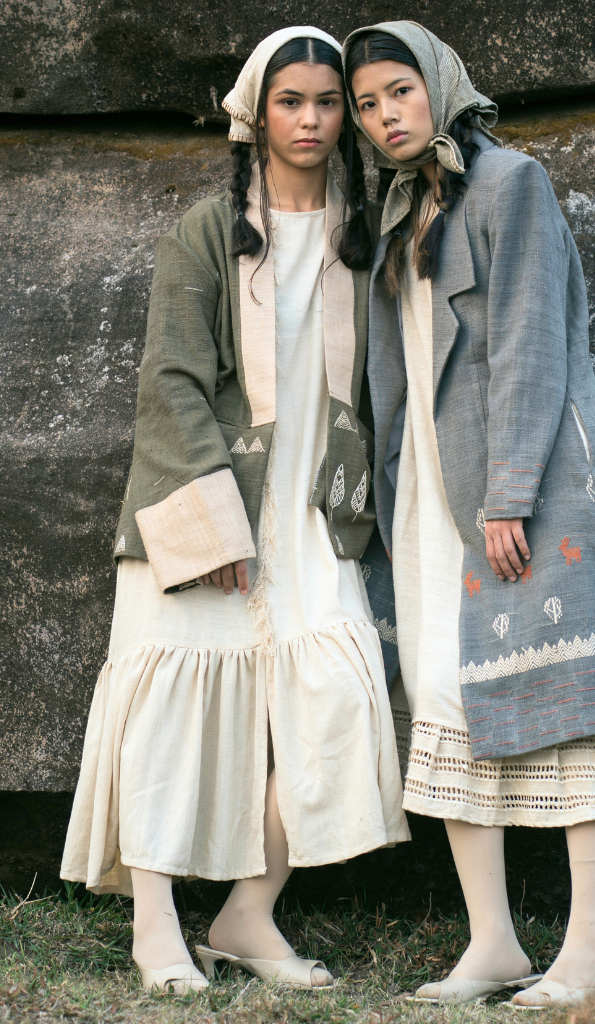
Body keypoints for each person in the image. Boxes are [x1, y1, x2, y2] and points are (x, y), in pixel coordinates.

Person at [61, 26, 409, 995]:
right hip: (209, 504)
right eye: (291, 101)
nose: (311, 120)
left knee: (342, 701)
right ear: (256, 115)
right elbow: (170, 380)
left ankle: (248, 913)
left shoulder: (363, 234)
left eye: (328, 102)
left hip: (313, 508)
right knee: (172, 715)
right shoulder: (206, 233)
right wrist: (215, 520)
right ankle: (157, 926)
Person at [343, 21, 595, 1009]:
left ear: (440, 85)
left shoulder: (510, 182)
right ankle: (494, 944)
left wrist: (509, 491)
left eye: (400, 91)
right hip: (434, 494)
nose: (385, 115)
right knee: (447, 693)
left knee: (566, 695)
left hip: (527, 485)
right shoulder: (399, 206)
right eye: (366, 104)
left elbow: (529, 340)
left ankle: (594, 944)